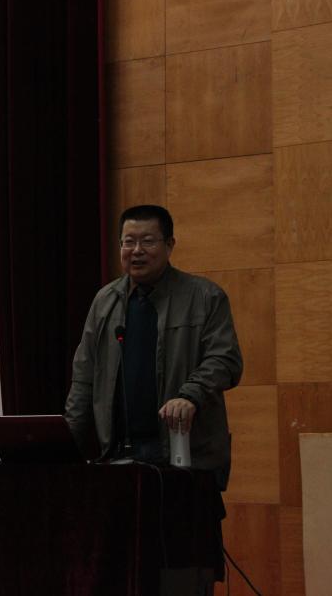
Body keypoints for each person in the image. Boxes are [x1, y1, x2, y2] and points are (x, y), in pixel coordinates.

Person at [64, 204, 242, 594]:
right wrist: (66, 448)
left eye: (147, 241)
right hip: (118, 462)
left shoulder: (204, 296)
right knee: (121, 574)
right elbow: (84, 377)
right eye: (128, 241)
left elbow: (225, 360)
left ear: (170, 245)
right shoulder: (106, 302)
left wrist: (190, 395)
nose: (136, 250)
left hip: (181, 463)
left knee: (179, 574)